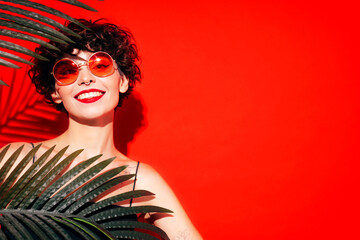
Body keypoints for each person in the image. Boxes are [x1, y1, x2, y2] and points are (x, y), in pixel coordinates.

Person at [0, 19, 202, 239]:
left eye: (100, 65)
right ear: (55, 93)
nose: (86, 78)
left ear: (123, 81)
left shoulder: (138, 179)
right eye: (68, 71)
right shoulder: (19, 159)